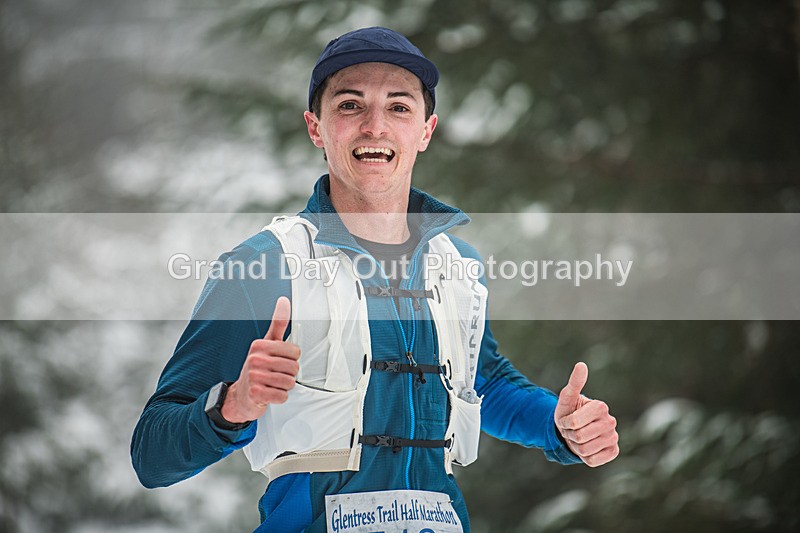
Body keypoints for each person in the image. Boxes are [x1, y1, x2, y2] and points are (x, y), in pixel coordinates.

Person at [131, 26, 619, 532]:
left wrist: (558, 427)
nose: (374, 126)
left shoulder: (458, 267)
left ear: (426, 131)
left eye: (399, 107)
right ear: (316, 128)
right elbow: (153, 455)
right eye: (349, 105)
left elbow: (483, 383)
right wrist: (233, 405)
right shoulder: (264, 265)